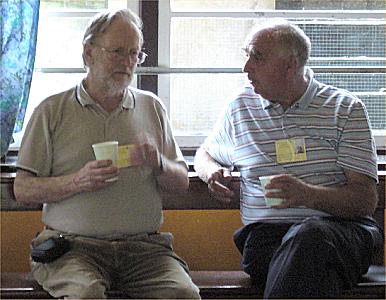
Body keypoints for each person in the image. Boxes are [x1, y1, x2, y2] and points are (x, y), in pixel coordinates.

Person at [14, 8, 200, 299]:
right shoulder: (52, 110)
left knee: (183, 294)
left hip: (145, 250)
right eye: (117, 52)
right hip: (73, 249)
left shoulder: (151, 107)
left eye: (135, 54)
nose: (127, 63)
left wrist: (157, 163)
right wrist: (77, 181)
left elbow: (182, 183)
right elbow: (22, 189)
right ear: (89, 53)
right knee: (87, 294)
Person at [194, 19, 383, 298]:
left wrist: (306, 195)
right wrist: (212, 173)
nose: (246, 68)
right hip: (266, 239)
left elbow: (365, 200)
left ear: (291, 64)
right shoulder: (240, 108)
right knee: (312, 269)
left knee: (309, 239)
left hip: (341, 233)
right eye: (247, 56)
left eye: (257, 57)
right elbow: (205, 153)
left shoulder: (345, 109)